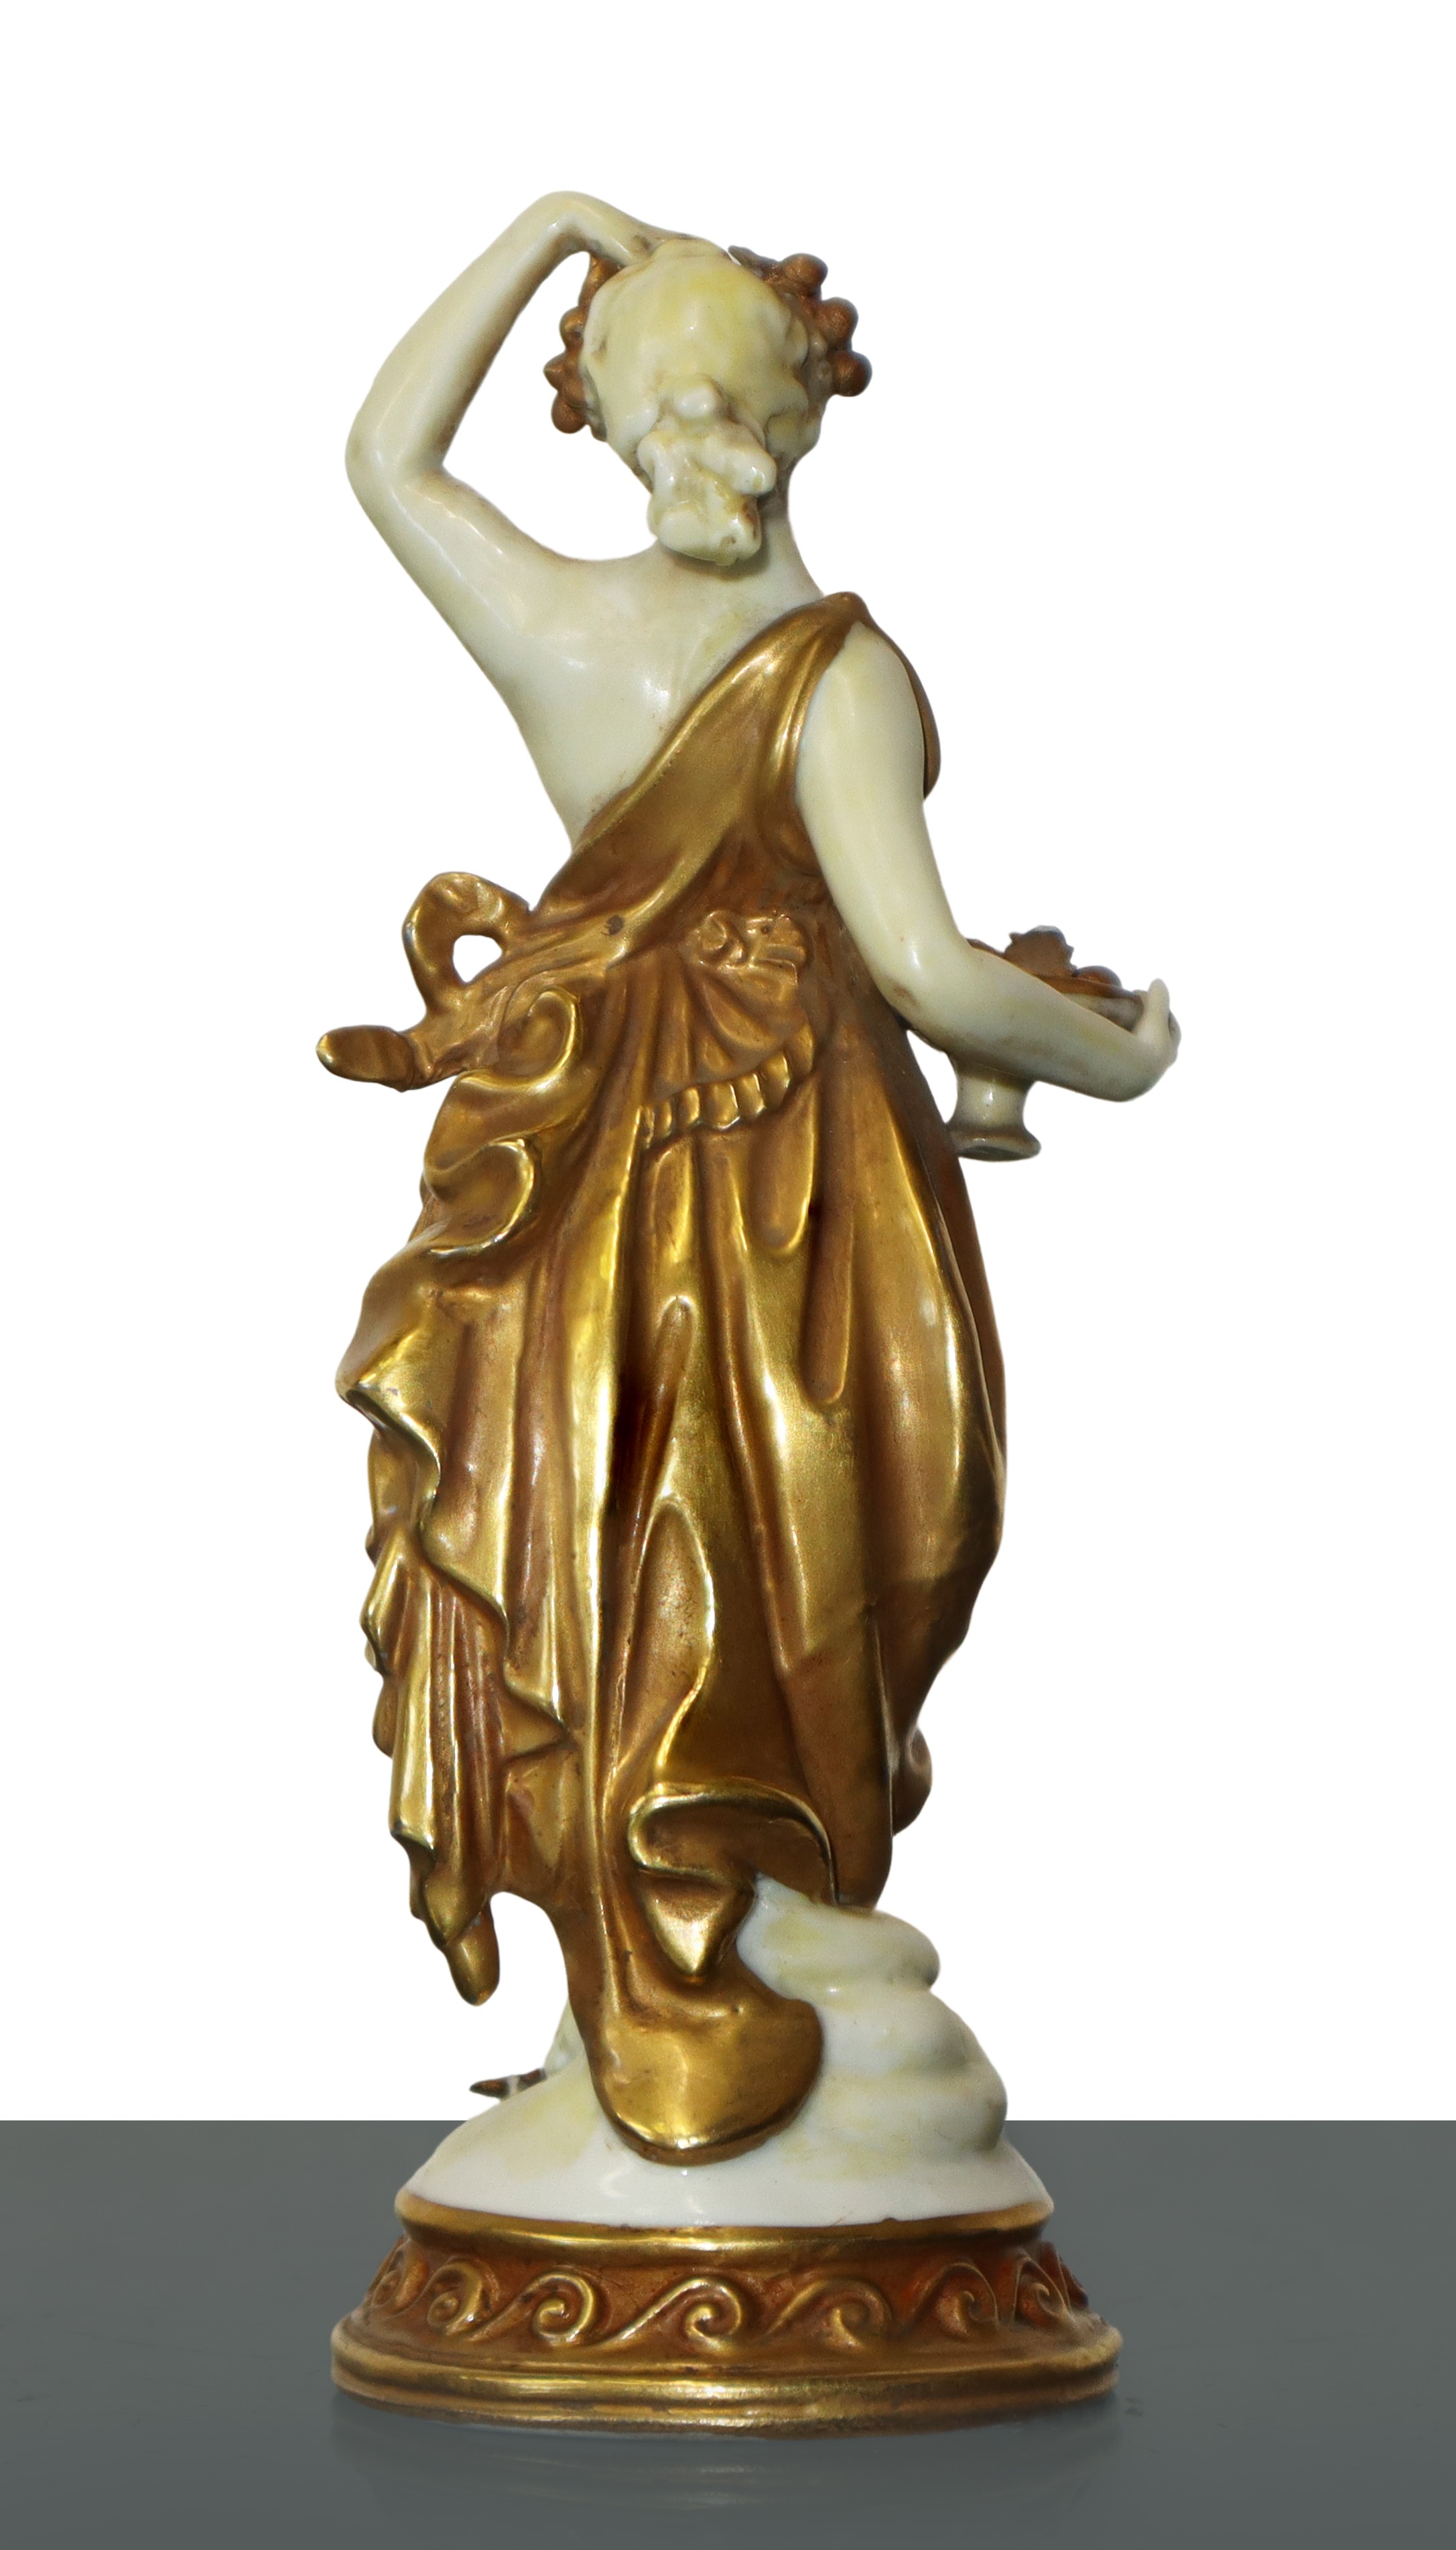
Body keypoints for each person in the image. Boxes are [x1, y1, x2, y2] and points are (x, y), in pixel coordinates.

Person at [326, 193, 1177, 2165]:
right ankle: (738, 1904)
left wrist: (548, 232)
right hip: (801, 1176)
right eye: (678, 409)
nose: (697, 439)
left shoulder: (566, 630)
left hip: (603, 1165)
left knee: (633, 1517)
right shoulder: (840, 672)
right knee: (840, 1516)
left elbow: (385, 454)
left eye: (701, 406)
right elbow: (929, 969)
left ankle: (691, 1912)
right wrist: (1119, 1052)